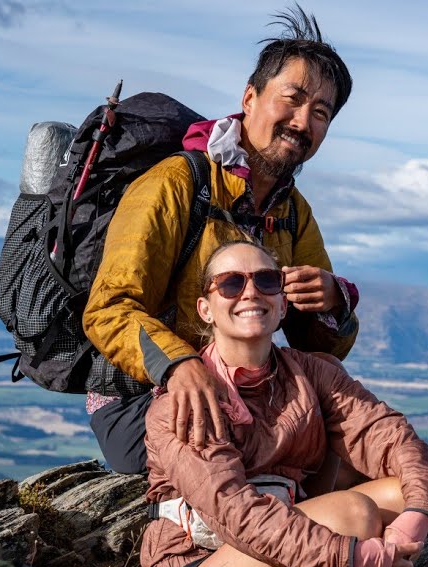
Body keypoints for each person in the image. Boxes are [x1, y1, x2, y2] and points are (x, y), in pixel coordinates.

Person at [142, 241, 428, 567]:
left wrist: (417, 515)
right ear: (205, 308)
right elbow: (237, 515)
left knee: (400, 494)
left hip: (279, 562)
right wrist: (348, 555)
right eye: (231, 283)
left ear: (283, 304)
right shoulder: (184, 401)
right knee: (352, 514)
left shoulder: (312, 373)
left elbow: (391, 435)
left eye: (266, 280)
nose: (250, 293)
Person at [83, 6, 359, 474]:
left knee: (339, 408)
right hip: (137, 392)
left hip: (239, 384)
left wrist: (334, 302)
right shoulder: (176, 183)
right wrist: (178, 364)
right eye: (291, 99)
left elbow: (320, 350)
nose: (302, 122)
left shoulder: (292, 211)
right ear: (250, 98)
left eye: (320, 113)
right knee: (263, 452)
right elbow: (109, 308)